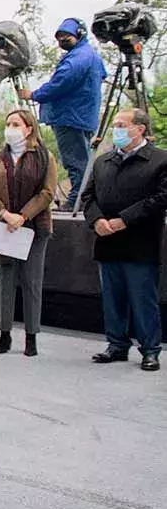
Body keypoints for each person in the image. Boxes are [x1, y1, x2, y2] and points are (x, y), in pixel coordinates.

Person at [81, 108, 167, 371]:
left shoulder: (159, 160)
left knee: (143, 299)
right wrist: (97, 221)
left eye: (121, 125)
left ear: (140, 128)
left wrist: (125, 219)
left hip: (140, 243)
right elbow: (88, 197)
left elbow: (160, 198)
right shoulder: (103, 161)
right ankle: (116, 344)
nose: (116, 129)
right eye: (115, 125)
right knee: (112, 298)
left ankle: (150, 349)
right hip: (107, 242)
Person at [0, 112, 56, 356]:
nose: (10, 128)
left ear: (29, 129)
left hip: (34, 228)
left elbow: (47, 192)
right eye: (7, 124)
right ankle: (4, 334)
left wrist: (23, 216)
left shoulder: (44, 157)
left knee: (32, 282)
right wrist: (4, 214)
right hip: (3, 227)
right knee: (5, 281)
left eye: (15, 124)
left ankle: (31, 336)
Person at [19, 18, 106, 210]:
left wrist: (34, 94)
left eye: (67, 36)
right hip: (82, 116)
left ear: (80, 34)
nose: (62, 40)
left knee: (75, 161)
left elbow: (61, 82)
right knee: (80, 159)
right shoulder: (90, 55)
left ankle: (78, 200)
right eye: (59, 37)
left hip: (70, 117)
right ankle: (83, 198)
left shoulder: (78, 58)